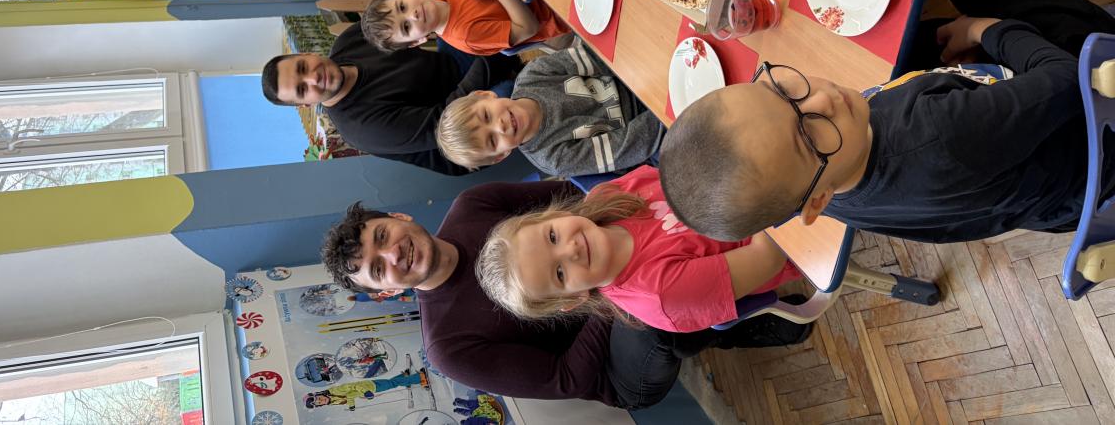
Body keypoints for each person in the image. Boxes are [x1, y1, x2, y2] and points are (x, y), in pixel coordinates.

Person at [658, 0, 1115, 245]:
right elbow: (1067, 77)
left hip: (1048, 196)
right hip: (1095, 127)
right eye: (808, 135)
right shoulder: (939, 133)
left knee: (934, 21)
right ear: (816, 200)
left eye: (781, 91)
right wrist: (982, 29)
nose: (823, 99)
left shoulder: (820, 190)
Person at [319, 185, 813, 410]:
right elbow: (566, 377)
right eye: (378, 268)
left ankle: (725, 274)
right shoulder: (448, 349)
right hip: (614, 364)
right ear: (387, 291)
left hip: (601, 279)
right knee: (658, 310)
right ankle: (739, 320)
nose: (394, 253)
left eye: (382, 236)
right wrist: (605, 288)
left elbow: (576, 202)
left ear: (399, 220)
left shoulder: (472, 204)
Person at [477, 164, 804, 334]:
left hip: (758, 174)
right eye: (560, 273)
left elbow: (688, 170)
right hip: (795, 227)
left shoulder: (606, 196)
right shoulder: (661, 295)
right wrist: (762, 173)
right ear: (574, 298)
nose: (571, 250)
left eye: (552, 237)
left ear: (554, 216)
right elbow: (767, 258)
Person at [260, 23, 522, 174]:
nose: (313, 78)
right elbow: (445, 121)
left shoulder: (350, 40)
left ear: (307, 54)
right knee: (511, 82)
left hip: (453, 66)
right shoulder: (362, 128)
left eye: (303, 68)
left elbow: (413, 22)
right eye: (302, 89)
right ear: (306, 104)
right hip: (470, 134)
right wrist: (489, 54)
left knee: (474, 14)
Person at [437, 42, 663, 175]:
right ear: (501, 156)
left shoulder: (534, 74)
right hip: (651, 133)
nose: (500, 126)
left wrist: (649, 73)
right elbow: (629, 146)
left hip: (636, 78)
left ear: (485, 95)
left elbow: (599, 58)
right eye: (492, 140)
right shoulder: (553, 159)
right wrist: (663, 109)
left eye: (486, 116)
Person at [360, 0, 572, 56]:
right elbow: (529, 28)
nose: (412, 15)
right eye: (406, 27)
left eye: (402, 7)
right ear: (417, 41)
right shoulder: (466, 35)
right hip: (559, 9)